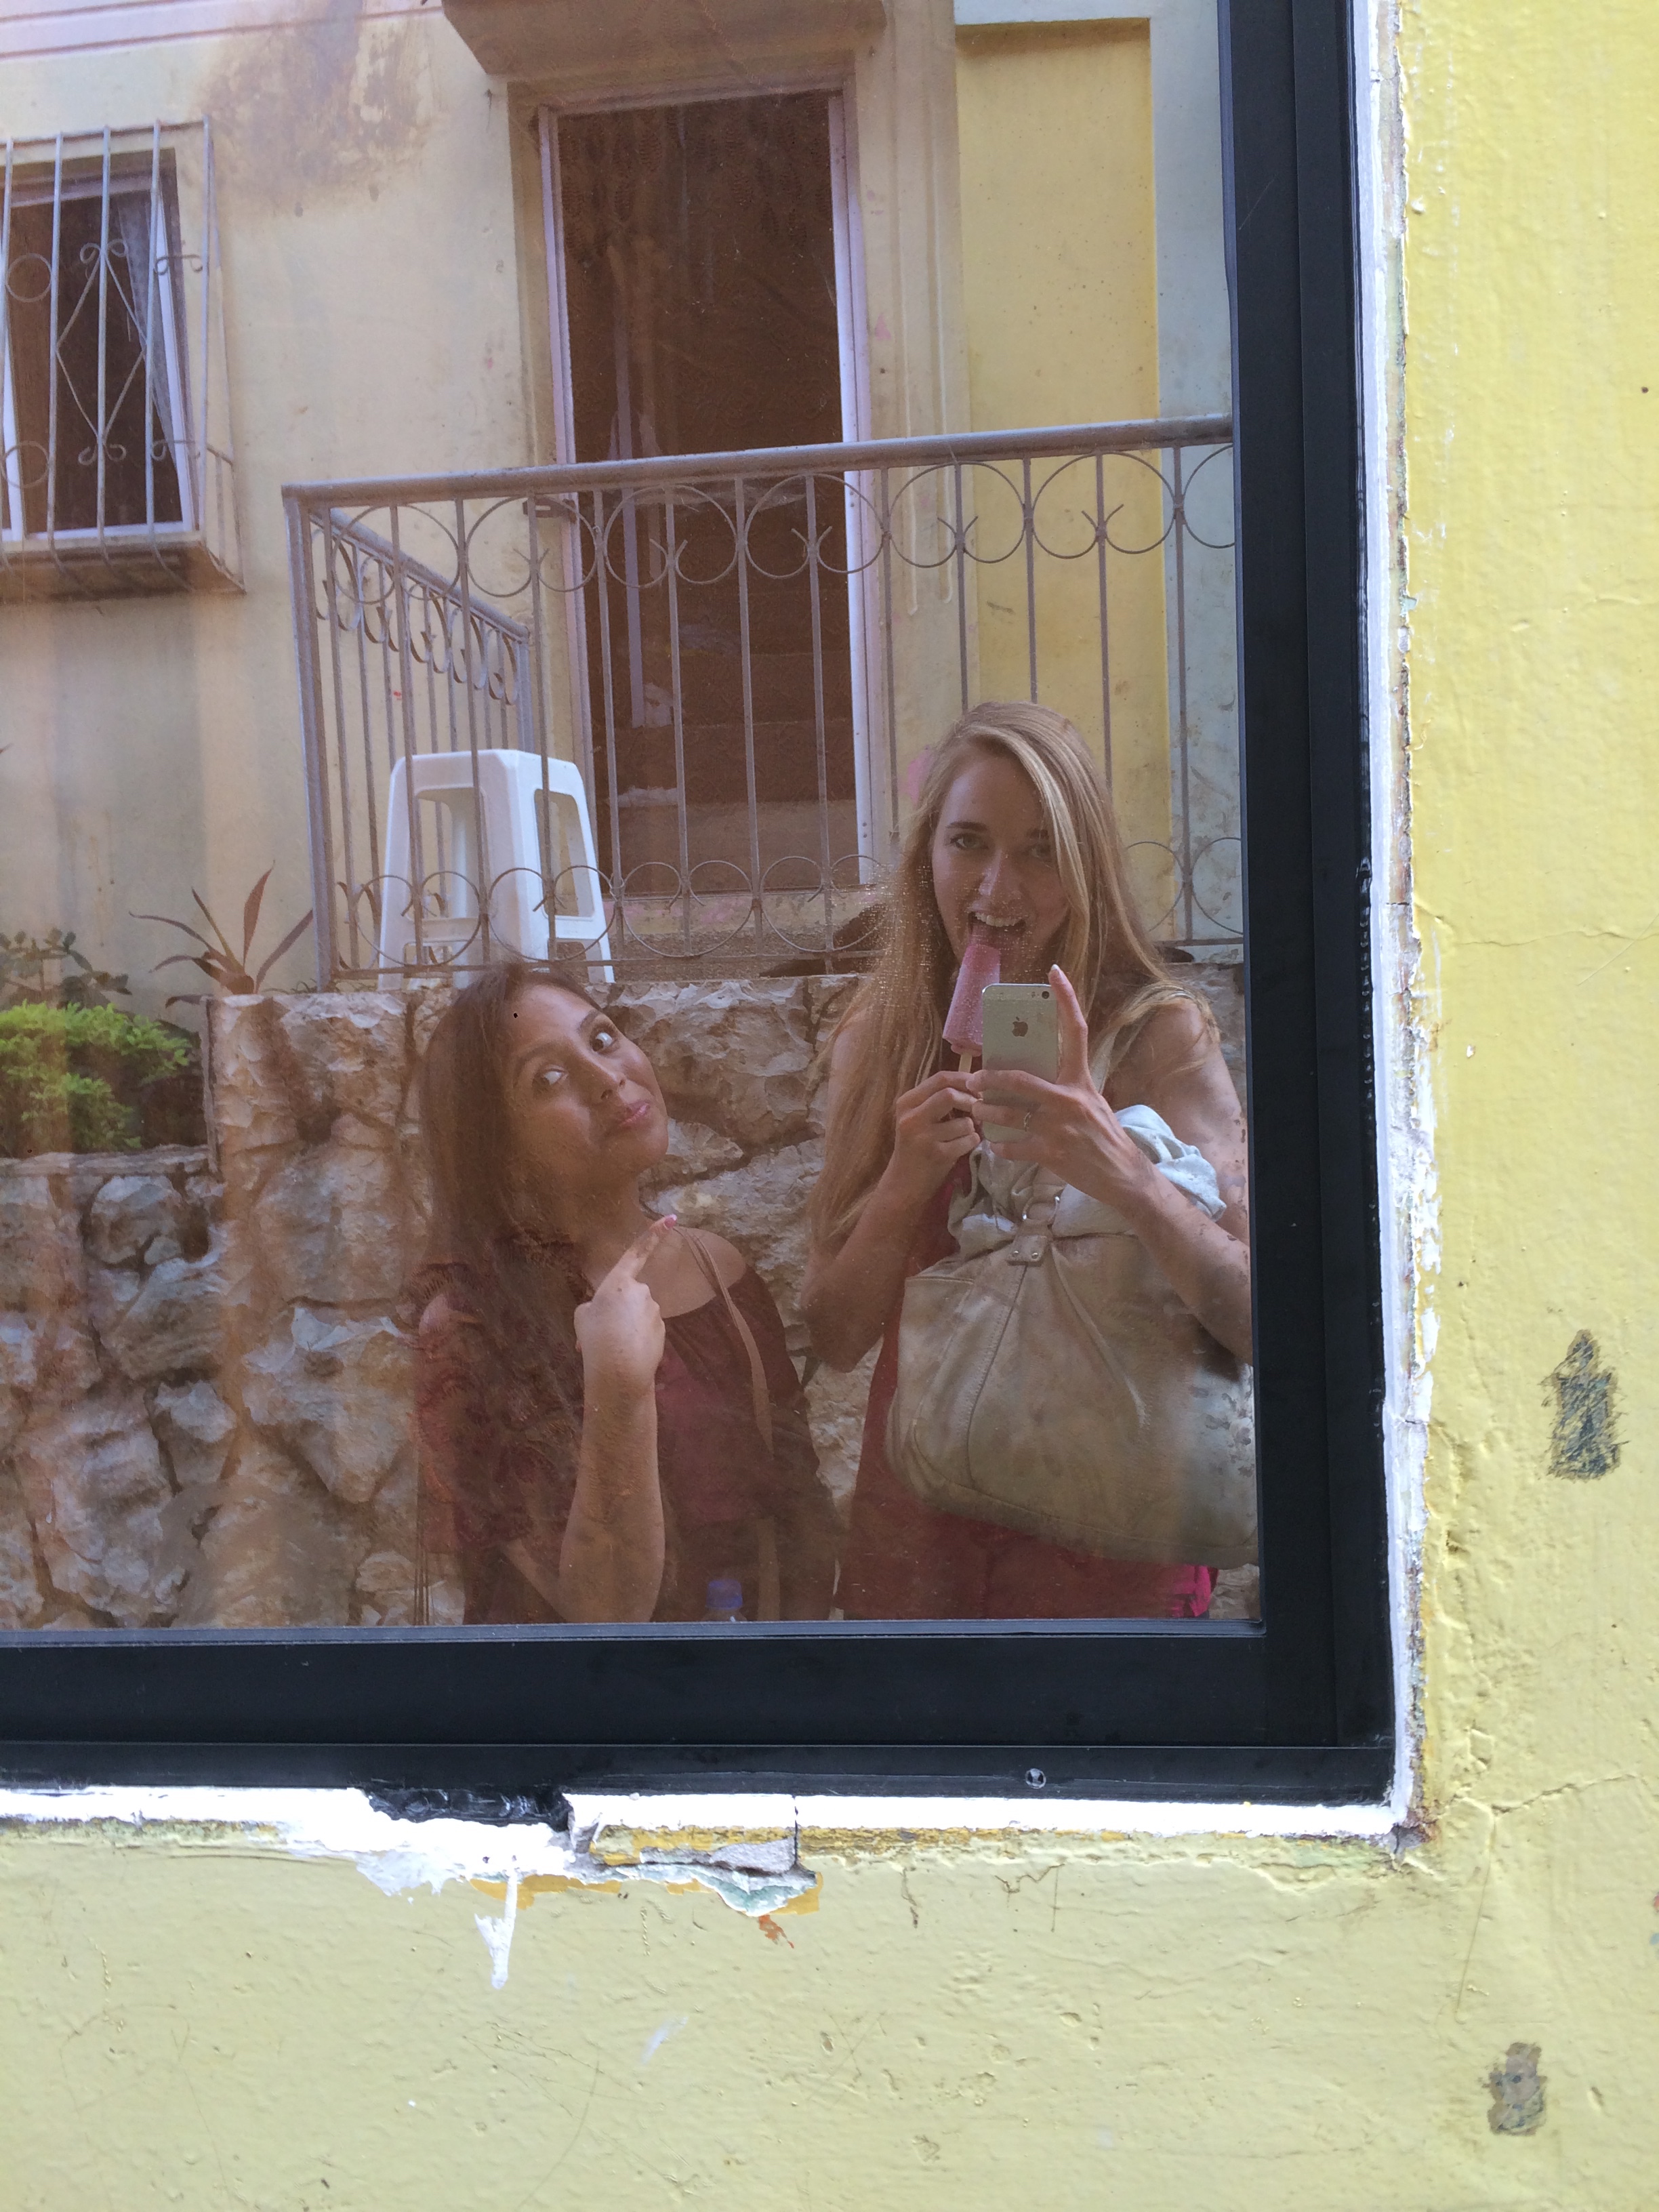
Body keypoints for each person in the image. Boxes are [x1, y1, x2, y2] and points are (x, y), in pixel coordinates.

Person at [802, 702, 1250, 1620]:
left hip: (1114, 1564)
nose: (997, 887)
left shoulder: (1160, 1039)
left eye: (1041, 851)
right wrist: (903, 1184)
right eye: (968, 842)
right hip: (919, 1555)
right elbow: (836, 1338)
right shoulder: (878, 1041)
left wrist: (1123, 1170)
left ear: (1086, 867)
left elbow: (1261, 1319)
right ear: (926, 855)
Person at [412, 960, 838, 1624]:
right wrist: (617, 1387)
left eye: (603, 1038)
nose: (607, 1077)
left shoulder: (719, 1273)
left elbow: (799, 1523)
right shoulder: (471, 1329)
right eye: (548, 1079)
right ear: (500, 1150)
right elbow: (603, 1613)